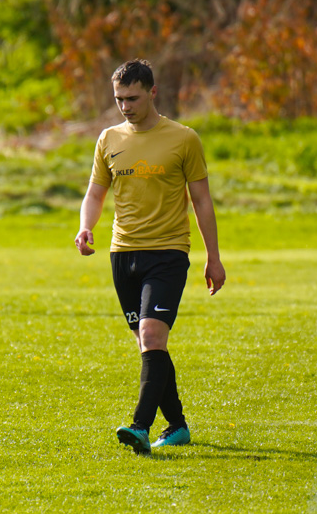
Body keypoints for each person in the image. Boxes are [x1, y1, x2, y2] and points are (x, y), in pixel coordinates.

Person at [74, 59, 226, 454]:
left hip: (169, 252)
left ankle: (140, 427)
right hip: (123, 255)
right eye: (119, 99)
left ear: (153, 92)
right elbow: (94, 193)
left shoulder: (183, 138)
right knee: (148, 346)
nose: (125, 106)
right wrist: (85, 225)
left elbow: (202, 201)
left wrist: (214, 257)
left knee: (152, 334)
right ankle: (177, 426)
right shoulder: (108, 139)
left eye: (133, 97)